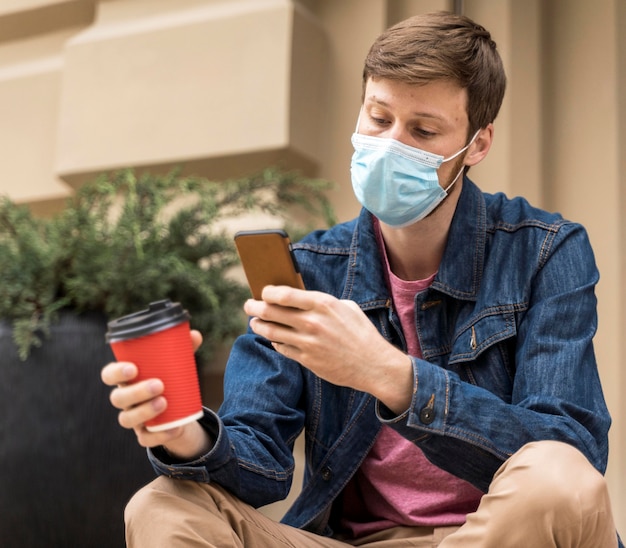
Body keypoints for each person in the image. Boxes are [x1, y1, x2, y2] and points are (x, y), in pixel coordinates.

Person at [101, 11, 622, 547]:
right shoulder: (311, 271)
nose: (391, 145)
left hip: (499, 537)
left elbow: (572, 453)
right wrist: (187, 435)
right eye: (378, 118)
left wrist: (390, 375)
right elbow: (261, 466)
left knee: (557, 473)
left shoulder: (543, 250)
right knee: (162, 505)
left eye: (423, 131)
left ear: (478, 145)